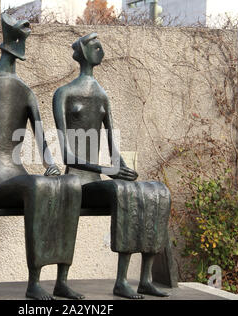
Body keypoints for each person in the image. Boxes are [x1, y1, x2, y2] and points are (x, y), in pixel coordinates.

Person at [0, 14, 84, 300]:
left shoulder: (26, 93)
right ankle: (34, 282)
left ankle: (62, 278)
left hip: (20, 177)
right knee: (36, 186)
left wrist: (51, 165)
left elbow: (43, 145)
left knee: (71, 185)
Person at [53, 33, 171, 299]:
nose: (102, 51)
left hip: (97, 180)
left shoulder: (102, 96)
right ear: (84, 52)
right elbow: (67, 156)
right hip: (77, 182)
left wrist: (123, 167)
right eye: (96, 47)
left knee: (155, 192)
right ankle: (116, 282)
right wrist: (109, 171)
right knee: (124, 193)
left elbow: (113, 150)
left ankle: (144, 278)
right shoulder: (64, 93)